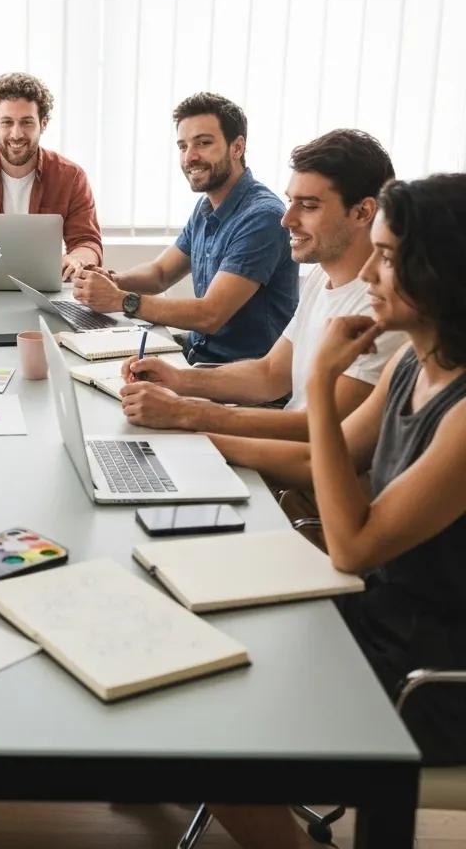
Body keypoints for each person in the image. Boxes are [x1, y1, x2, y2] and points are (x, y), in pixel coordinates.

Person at [209, 174, 466, 849]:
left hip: (431, 675)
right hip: (375, 617)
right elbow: (336, 459)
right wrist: (197, 428)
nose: (372, 272)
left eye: (389, 256)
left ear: (442, 270)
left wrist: (319, 380)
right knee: (197, 667)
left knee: (211, 733)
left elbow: (352, 545)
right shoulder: (413, 364)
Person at [119, 129, 405, 439]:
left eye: (308, 206)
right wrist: (178, 379)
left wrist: (189, 413)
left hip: (298, 466)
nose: (286, 219)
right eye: (290, 201)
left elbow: (318, 432)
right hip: (280, 451)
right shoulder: (323, 274)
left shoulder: (382, 307)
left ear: (363, 211)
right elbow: (271, 373)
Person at [73, 92, 298, 364]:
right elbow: (160, 274)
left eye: (203, 143)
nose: (190, 157)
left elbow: (210, 315)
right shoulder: (207, 208)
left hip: (238, 377)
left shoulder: (262, 217)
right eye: (183, 146)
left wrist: (121, 300)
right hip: (197, 354)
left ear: (237, 147)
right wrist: (114, 280)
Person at [0, 71, 103, 280]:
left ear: (43, 124)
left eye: (27, 122)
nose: (16, 134)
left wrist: (76, 259)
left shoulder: (71, 177)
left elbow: (87, 242)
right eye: (7, 122)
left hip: (43, 290)